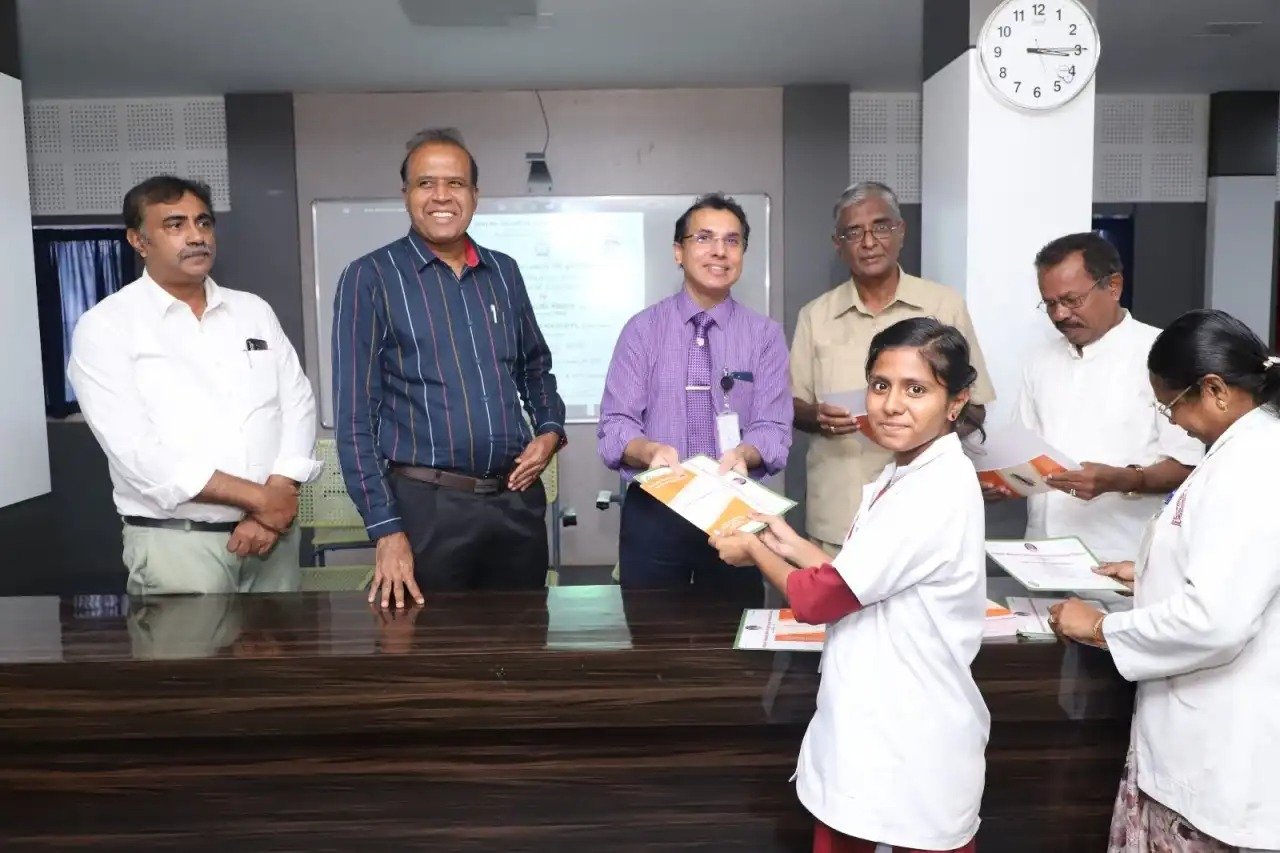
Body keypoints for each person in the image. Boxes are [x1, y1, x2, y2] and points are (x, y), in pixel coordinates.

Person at [712, 317, 988, 853]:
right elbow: (861, 580)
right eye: (881, 385)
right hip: (873, 724)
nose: (892, 405)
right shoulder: (905, 472)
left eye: (916, 390)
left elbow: (820, 598)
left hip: (911, 730)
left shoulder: (935, 490)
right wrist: (789, 541)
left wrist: (754, 550)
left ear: (955, 402)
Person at [1050, 309, 1280, 853]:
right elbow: (1235, 566)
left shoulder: (1254, 463)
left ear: (1215, 390)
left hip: (1220, 749)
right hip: (1197, 740)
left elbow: (1215, 621)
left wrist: (1100, 628)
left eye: (1171, 405)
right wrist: (1151, 572)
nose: (1172, 423)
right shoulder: (1238, 451)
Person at [333, 128, 566, 607]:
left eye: (455, 183)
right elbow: (355, 417)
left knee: (523, 641)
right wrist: (385, 529)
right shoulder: (370, 277)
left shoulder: (505, 272)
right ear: (406, 194)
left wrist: (549, 430)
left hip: (514, 502)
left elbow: (535, 366)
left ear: (475, 195)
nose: (442, 196)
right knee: (427, 648)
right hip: (425, 510)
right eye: (426, 183)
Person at [69, 176, 320, 595]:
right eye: (175, 225)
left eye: (203, 223)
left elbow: (298, 404)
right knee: (187, 643)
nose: (196, 236)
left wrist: (276, 498)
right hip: (179, 544)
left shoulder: (253, 311)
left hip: (272, 540)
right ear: (138, 240)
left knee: (281, 641)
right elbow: (137, 452)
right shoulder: (107, 326)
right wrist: (261, 500)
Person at [597, 193, 791, 596]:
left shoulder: (765, 336)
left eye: (732, 241)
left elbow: (773, 428)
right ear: (678, 252)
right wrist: (648, 450)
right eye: (704, 238)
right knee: (650, 629)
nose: (719, 251)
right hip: (655, 511)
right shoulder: (642, 330)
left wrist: (746, 453)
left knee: (734, 629)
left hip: (735, 513)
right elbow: (616, 425)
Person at [790, 181, 994, 555]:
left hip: (924, 513)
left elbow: (974, 406)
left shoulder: (943, 305)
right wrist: (817, 417)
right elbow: (791, 406)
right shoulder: (815, 316)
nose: (869, 242)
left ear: (901, 231)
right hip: (839, 514)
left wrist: (923, 428)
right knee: (827, 593)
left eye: (881, 227)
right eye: (854, 232)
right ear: (838, 244)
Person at [994, 232, 1202, 562]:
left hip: (1123, 559)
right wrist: (1002, 482)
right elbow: (1025, 450)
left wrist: (1123, 479)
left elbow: (1189, 465)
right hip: (1042, 554)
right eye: (1050, 304)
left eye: (1071, 300)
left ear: (1113, 286)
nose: (1060, 314)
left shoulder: (1162, 355)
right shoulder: (1040, 360)